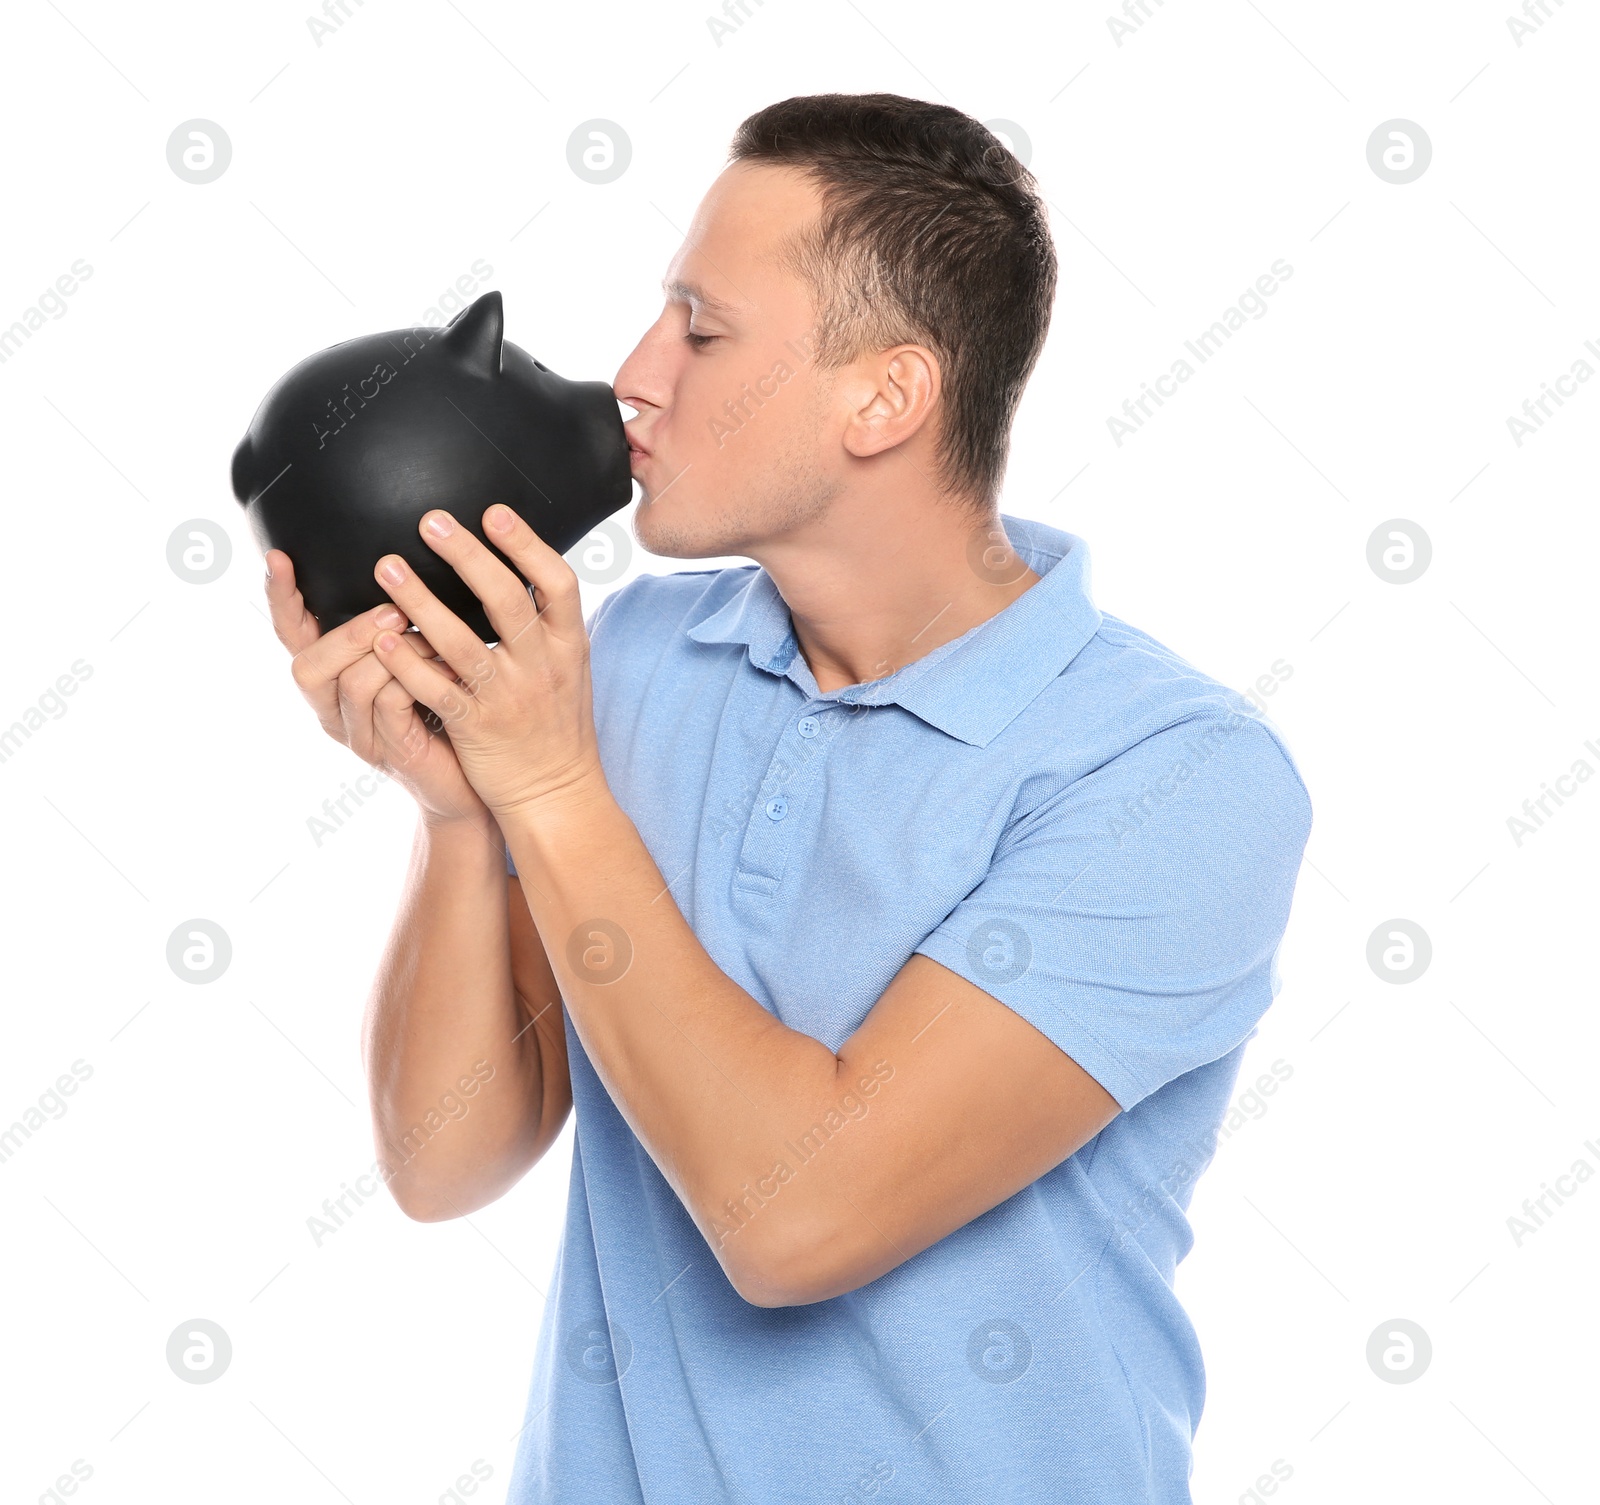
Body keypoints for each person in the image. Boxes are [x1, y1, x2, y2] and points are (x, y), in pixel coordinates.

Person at [264, 92, 1312, 1504]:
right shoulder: (627, 664)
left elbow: (794, 1215)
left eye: (703, 330)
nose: (638, 373)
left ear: (885, 395)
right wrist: (461, 812)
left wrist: (556, 785)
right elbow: (447, 1157)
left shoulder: (1174, 778)